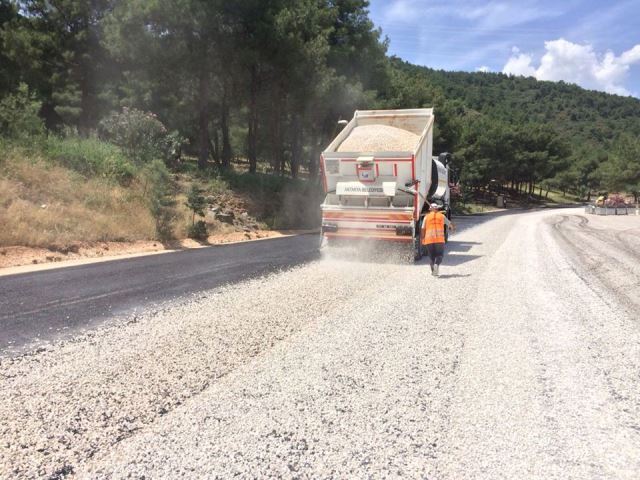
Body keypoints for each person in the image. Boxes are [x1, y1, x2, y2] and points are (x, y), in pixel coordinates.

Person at [421, 203, 455, 276]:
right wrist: (453, 228)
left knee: (431, 256)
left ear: (430, 209)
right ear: (437, 209)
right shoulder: (442, 216)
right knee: (439, 255)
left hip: (429, 240)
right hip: (439, 240)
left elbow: (423, 228)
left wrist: (423, 238)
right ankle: (437, 264)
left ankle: (433, 271)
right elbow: (450, 225)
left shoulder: (426, 217)